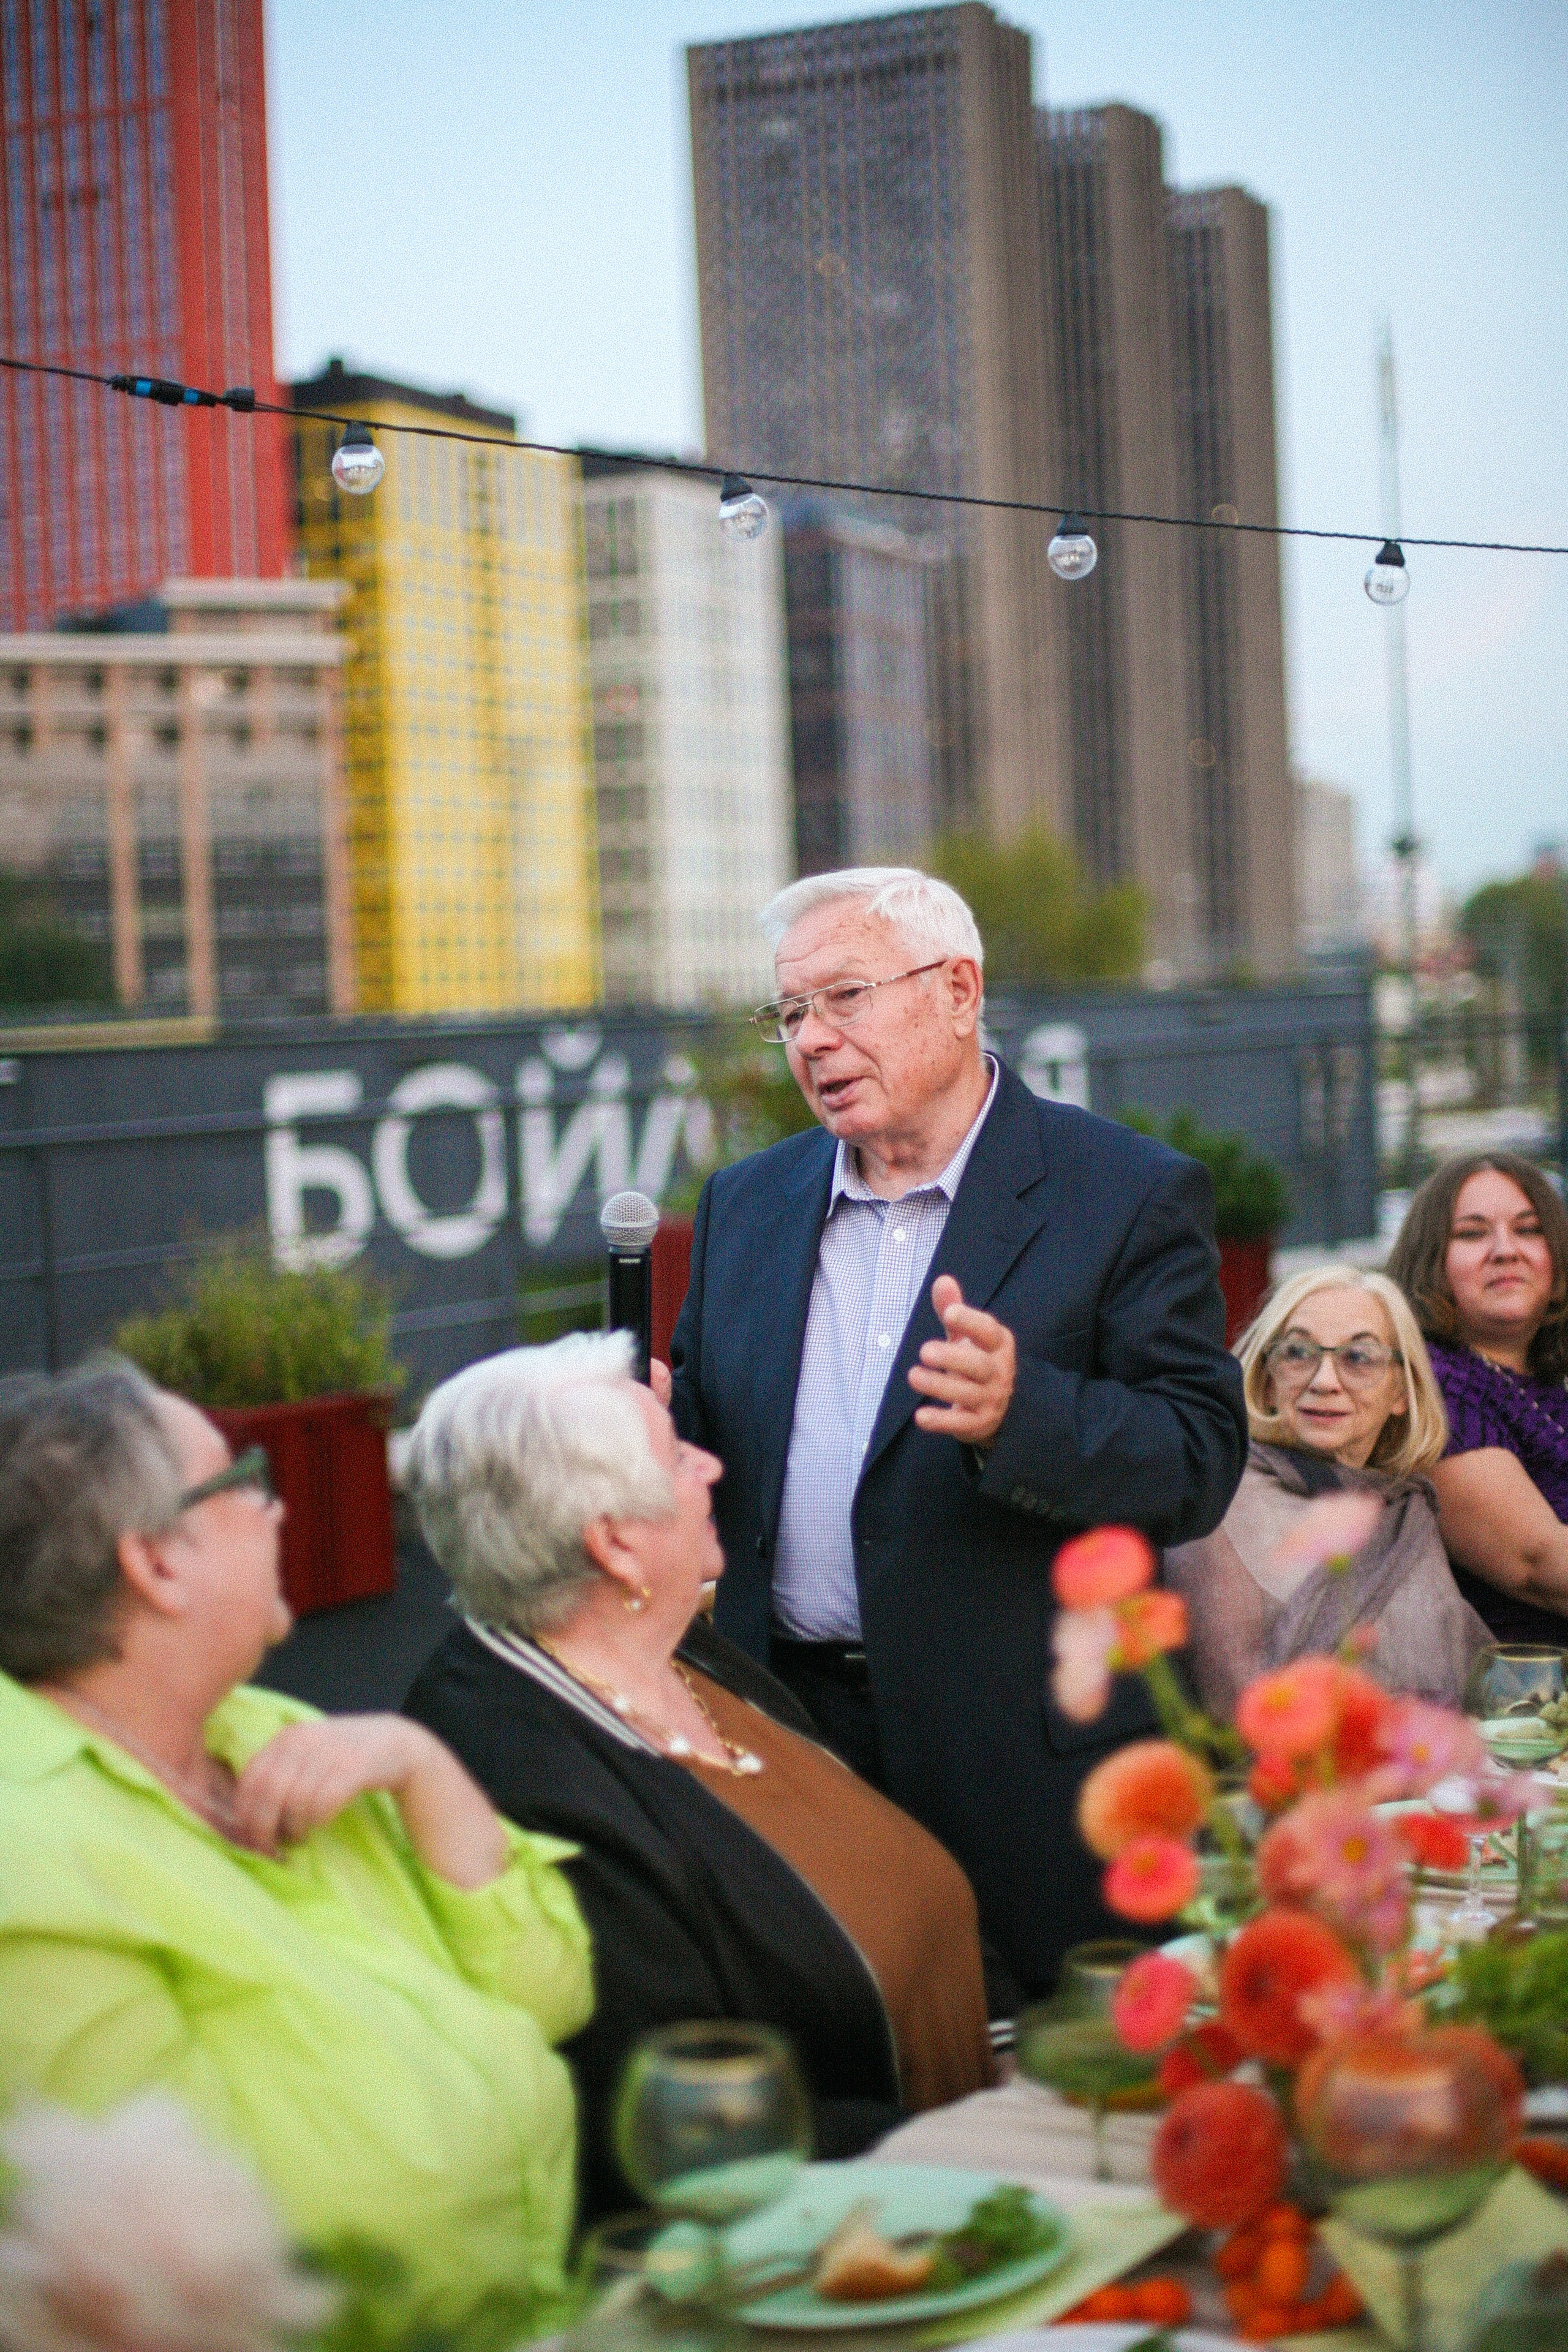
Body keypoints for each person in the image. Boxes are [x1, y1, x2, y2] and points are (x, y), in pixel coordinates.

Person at [665, 866, 1248, 1996]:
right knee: (848, 2068)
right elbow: (710, 1422)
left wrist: (1024, 1419)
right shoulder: (748, 1203)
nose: (812, 1041)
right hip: (791, 1733)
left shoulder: (1122, 1192)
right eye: (791, 1013)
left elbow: (1198, 1456)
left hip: (1023, 1760)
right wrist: (650, 1427)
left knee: (1069, 2090)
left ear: (958, 990)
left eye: (845, 998)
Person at [0, 1360, 591, 2337]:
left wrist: (424, 1763)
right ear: (155, 1563)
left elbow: (552, 1990)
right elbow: (202, 2280)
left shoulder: (265, 1732)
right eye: (240, 1481)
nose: (273, 1510)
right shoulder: (33, 1862)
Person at [401, 1333, 996, 2221]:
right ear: (615, 1547)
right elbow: (689, 2123)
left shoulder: (682, 1657)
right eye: (678, 1456)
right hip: (851, 2238)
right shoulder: (523, 1770)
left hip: (967, 2158)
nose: (711, 1466)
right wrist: (988, 2161)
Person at [1164, 1268, 1488, 1714]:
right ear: (1267, 1381)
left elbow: (1474, 1676)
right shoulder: (1219, 1504)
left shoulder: (1404, 1511)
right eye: (1298, 1353)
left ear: (1401, 1392)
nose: (1325, 1381)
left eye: (1359, 1358)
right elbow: (1239, 1716)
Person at [1386, 1152, 1568, 1644]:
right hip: (1528, 1701)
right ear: (1432, 1263)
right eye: (1472, 1233)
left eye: (1529, 1230)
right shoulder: (1437, 1387)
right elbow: (1540, 1565)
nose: (1506, 1250)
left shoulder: (1547, 1378)